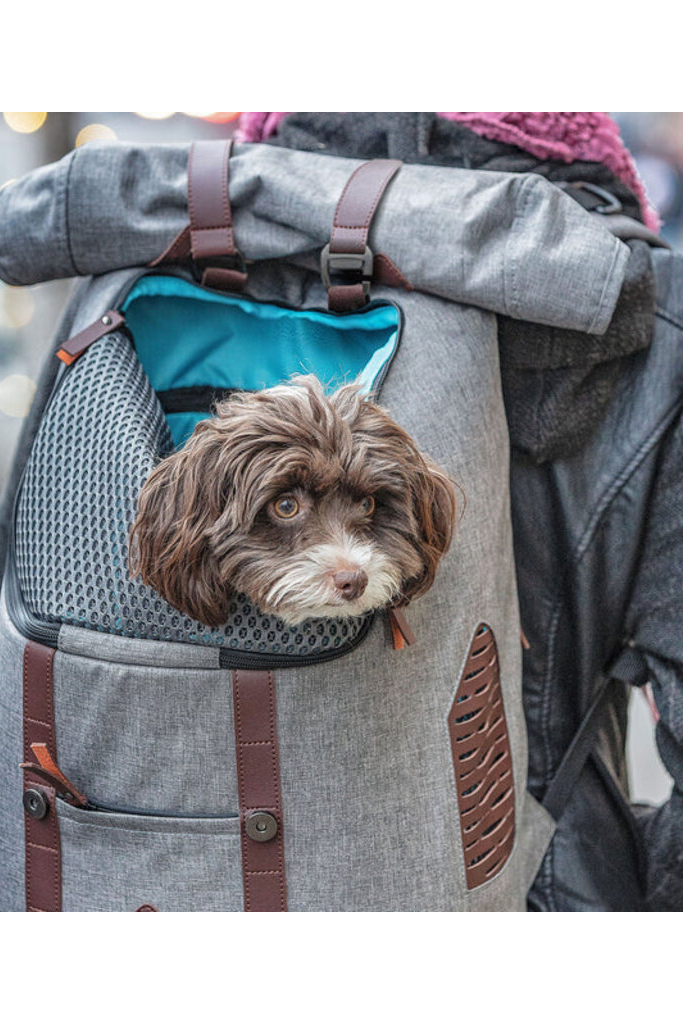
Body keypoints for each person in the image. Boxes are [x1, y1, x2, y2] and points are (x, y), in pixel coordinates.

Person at [237, 112, 683, 911]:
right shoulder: (643, 308)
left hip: (194, 880)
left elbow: (11, 658)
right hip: (519, 886)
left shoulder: (167, 252)